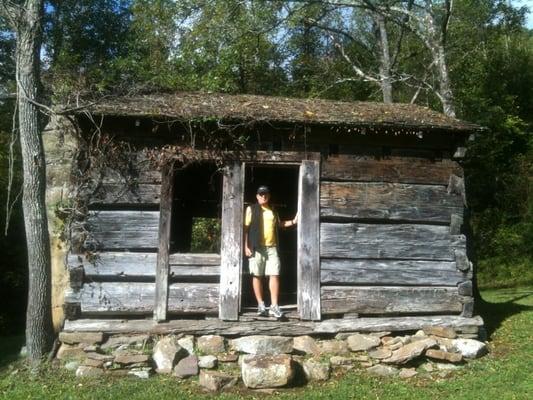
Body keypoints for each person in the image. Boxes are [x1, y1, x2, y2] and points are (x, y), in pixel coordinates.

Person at [244, 185, 297, 318]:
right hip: (257, 247)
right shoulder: (251, 209)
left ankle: (274, 306)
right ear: (257, 196)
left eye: (266, 194)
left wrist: (294, 221)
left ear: (269, 196)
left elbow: (279, 224)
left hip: (272, 247)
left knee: (275, 274)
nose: (263, 196)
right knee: (257, 275)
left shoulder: (273, 210)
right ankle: (261, 305)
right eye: (261, 194)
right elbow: (245, 229)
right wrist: (246, 246)